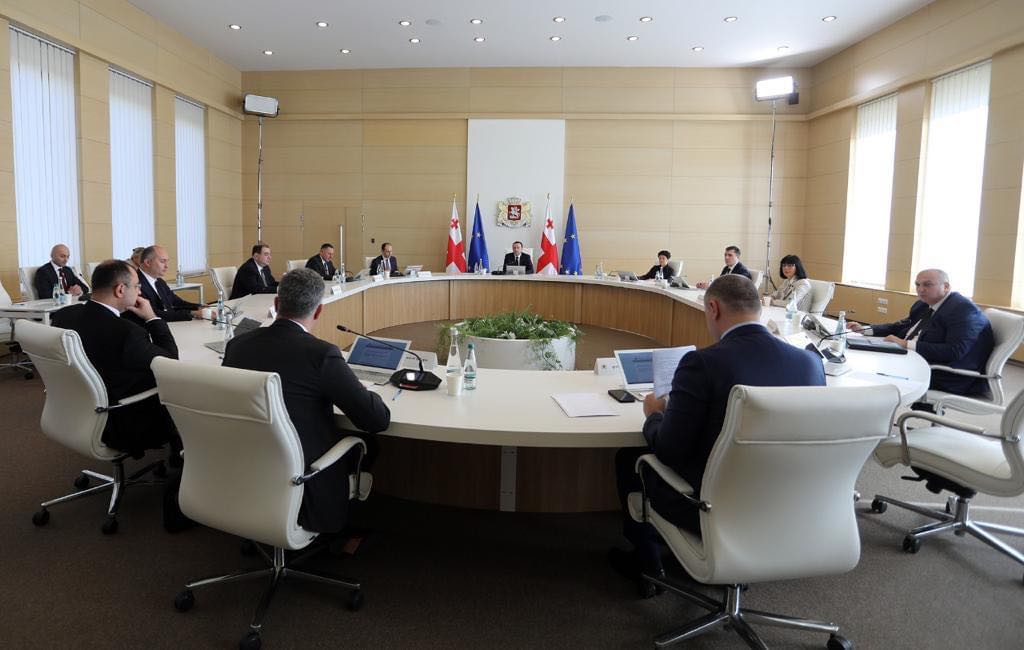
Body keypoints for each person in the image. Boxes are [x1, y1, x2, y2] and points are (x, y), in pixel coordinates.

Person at [609, 274, 826, 597]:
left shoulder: (702, 363)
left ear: (713, 308)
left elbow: (669, 450)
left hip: (713, 505)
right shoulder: (809, 363)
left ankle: (647, 562)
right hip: (787, 503)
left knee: (630, 458)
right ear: (758, 306)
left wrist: (653, 414)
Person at [222, 269, 391, 533]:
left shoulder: (237, 345)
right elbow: (376, 419)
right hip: (302, 476)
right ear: (319, 310)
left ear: (276, 304)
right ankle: (337, 519)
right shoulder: (321, 355)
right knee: (368, 445)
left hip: (246, 468)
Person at [50, 260, 180, 456]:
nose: (140, 292)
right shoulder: (127, 332)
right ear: (120, 290)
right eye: (137, 286)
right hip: (121, 420)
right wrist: (152, 318)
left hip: (74, 411)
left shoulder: (64, 315)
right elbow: (170, 361)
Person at [849, 269, 994, 397]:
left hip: (948, 374)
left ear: (946, 286)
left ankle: (872, 411)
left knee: (874, 373)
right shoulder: (923, 304)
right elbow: (901, 326)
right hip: (914, 358)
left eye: (927, 285)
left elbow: (954, 351)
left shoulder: (963, 310)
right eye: (917, 285)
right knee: (860, 357)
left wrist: (905, 344)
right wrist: (866, 329)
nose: (920, 289)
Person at [134, 245, 202, 322]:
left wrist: (199, 307)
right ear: (148, 262)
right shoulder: (135, 283)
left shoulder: (160, 281)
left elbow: (176, 302)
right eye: (163, 261)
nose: (166, 266)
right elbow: (152, 313)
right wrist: (192, 313)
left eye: (167, 261)